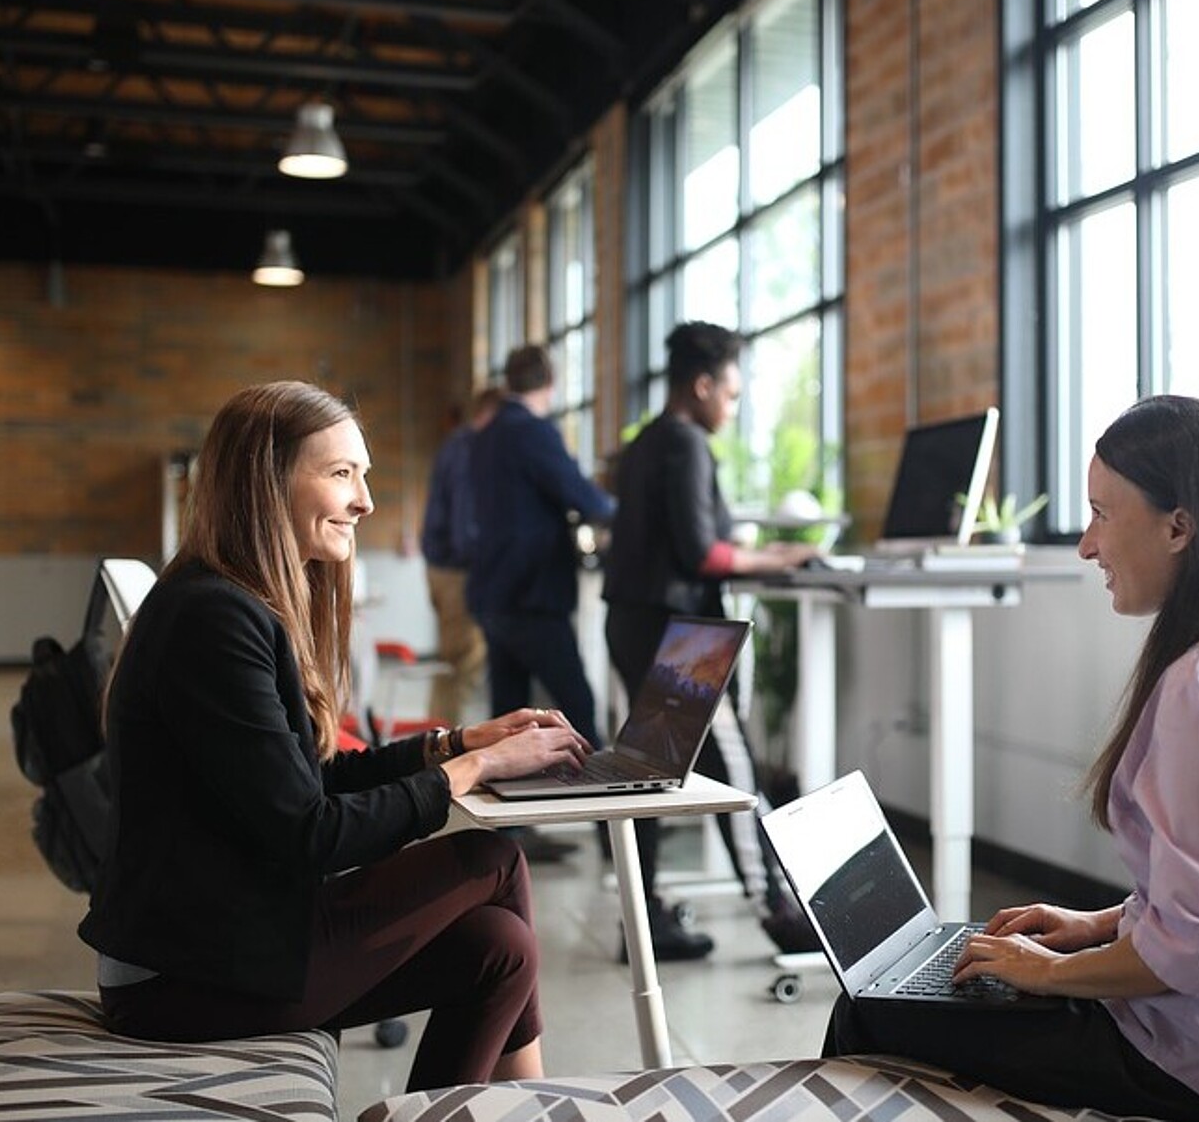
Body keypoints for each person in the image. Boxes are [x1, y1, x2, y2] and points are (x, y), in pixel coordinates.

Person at [822, 395, 1199, 1121]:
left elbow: (1195, 954)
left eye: (1101, 513)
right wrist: (1096, 925)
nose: (1087, 546)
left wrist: (1053, 974)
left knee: (867, 1012)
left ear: (1179, 526)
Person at [79, 380, 593, 1092]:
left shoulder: (229, 600)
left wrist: (456, 742)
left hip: (219, 938)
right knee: (493, 860)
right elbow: (312, 832)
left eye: (364, 474)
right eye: (342, 473)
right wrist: (473, 771)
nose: (365, 501)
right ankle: (536, 1103)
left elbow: (309, 777)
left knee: (499, 948)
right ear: (267, 484)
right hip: (182, 974)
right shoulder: (212, 619)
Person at [602, 320, 822, 961]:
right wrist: (775, 557)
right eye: (730, 392)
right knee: (735, 769)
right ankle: (777, 910)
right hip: (677, 635)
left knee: (645, 773)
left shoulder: (646, 443)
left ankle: (641, 922)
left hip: (636, 621)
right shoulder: (686, 443)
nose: (733, 404)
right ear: (701, 386)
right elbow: (702, 551)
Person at [468, 345, 617, 865]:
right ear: (550, 384)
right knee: (578, 711)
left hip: (493, 593)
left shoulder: (484, 436)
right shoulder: (532, 431)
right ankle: (613, 836)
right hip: (532, 596)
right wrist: (622, 507)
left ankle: (507, 839)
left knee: (510, 719)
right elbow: (586, 498)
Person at [420, 387, 503, 725]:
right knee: (463, 663)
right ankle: (444, 745)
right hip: (458, 570)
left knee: (453, 661)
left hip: (441, 566)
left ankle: (439, 736)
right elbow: (464, 520)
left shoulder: (456, 443)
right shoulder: (470, 447)